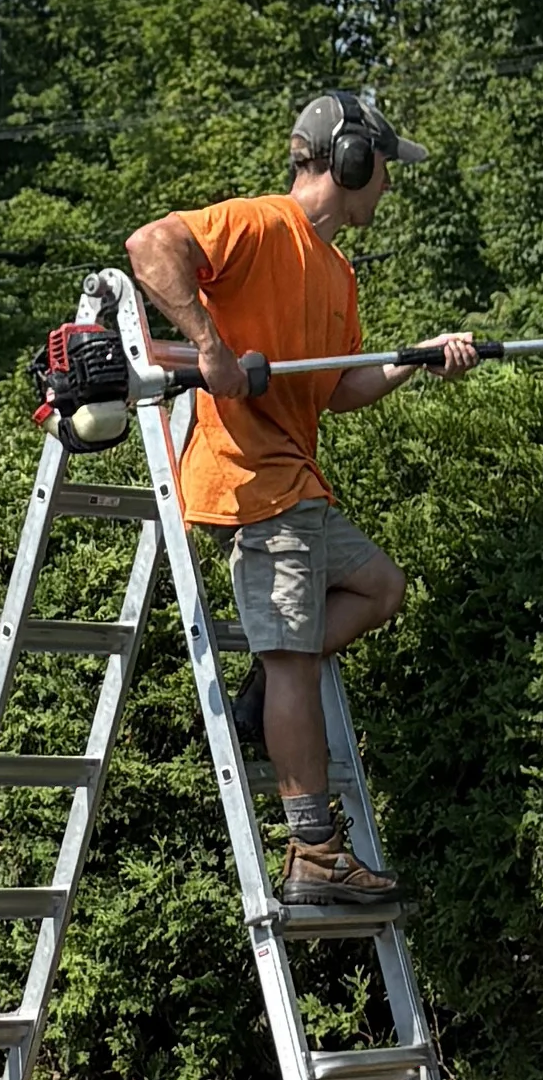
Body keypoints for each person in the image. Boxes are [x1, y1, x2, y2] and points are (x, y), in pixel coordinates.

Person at [124, 98, 477, 905]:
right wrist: (210, 347)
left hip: (298, 482)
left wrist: (417, 359)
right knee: (291, 655)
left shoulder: (337, 272)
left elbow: (337, 388)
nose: (388, 185)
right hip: (249, 479)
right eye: (384, 168)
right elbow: (150, 247)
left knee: (380, 588)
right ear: (350, 160)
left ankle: (270, 685)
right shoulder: (258, 225)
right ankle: (314, 851)